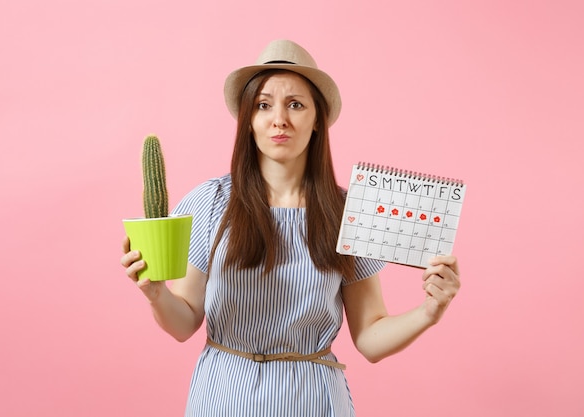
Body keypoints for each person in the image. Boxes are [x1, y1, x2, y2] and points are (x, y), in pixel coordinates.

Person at [121, 39, 461, 417]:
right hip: (224, 398)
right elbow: (183, 322)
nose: (279, 118)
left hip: (314, 400)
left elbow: (369, 337)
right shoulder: (211, 202)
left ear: (317, 120)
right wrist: (155, 293)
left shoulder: (349, 211)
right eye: (264, 105)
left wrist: (429, 312)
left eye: (295, 104)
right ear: (249, 120)